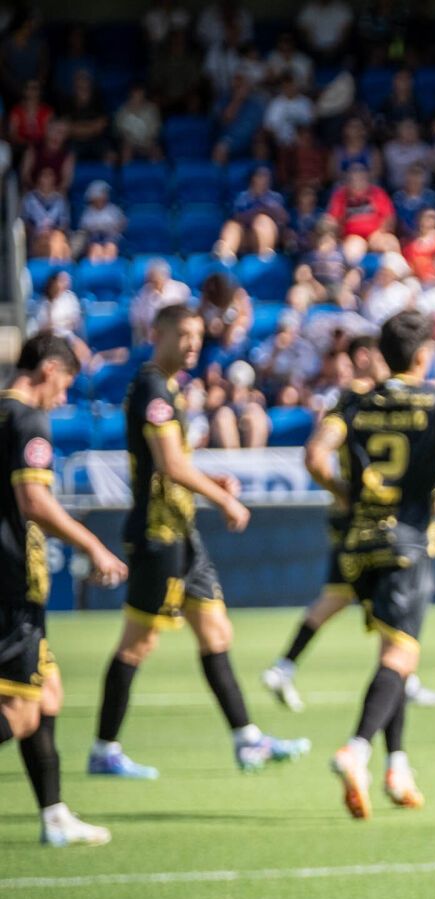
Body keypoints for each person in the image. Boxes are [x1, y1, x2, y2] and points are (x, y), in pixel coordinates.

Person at [88, 306, 306, 780]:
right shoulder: (151, 386)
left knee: (216, 633)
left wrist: (212, 481)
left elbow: (178, 464)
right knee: (137, 644)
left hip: (183, 536)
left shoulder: (169, 388)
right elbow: (170, 464)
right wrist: (223, 500)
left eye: (197, 335)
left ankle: (248, 740)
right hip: (158, 537)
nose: (191, 343)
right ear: (156, 333)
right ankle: (104, 748)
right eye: (182, 334)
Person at [308, 310, 435, 818]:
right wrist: (434, 481)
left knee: (395, 652)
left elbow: (315, 457)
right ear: (425, 355)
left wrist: (348, 493)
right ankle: (356, 748)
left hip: (359, 542)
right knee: (399, 659)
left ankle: (397, 767)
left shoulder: (353, 401)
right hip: (408, 544)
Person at [264, 340, 435, 713]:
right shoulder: (358, 399)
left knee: (351, 599)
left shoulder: (356, 401)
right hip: (372, 521)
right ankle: (287, 667)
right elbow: (320, 456)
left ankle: (290, 667)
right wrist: (351, 492)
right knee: (348, 597)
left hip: (367, 516)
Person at [2, 334, 128, 846]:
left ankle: (54, 816)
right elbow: (34, 500)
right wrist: (93, 546)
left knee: (47, 688)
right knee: (21, 710)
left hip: (10, 585)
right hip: (10, 586)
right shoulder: (28, 420)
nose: (64, 397)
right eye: (67, 382)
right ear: (50, 369)